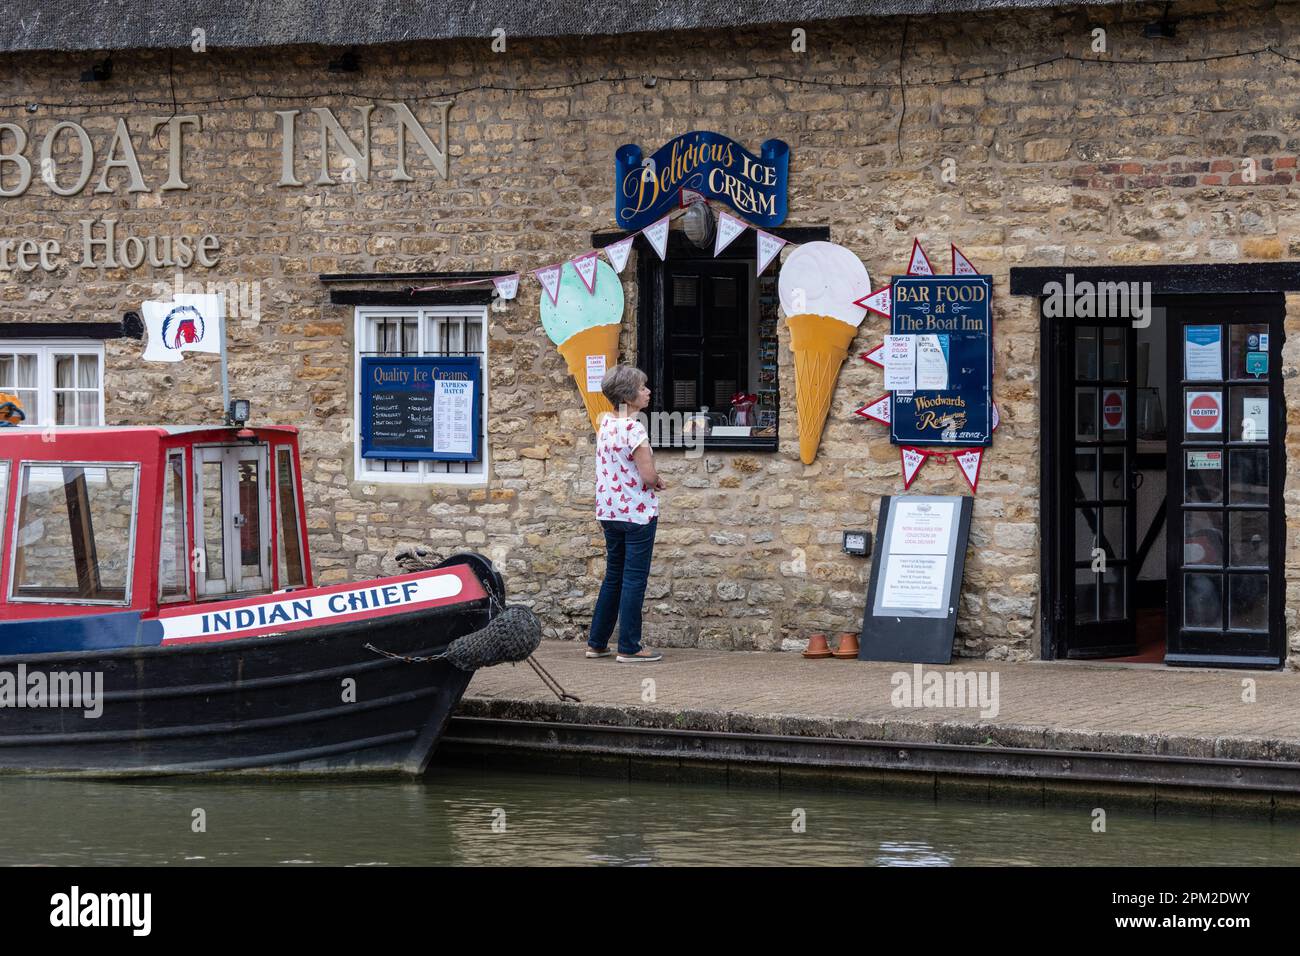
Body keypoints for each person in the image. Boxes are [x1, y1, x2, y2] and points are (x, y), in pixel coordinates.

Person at [587, 365, 665, 662]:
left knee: (613, 576)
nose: (648, 391)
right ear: (629, 396)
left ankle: (597, 641)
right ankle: (630, 647)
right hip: (637, 513)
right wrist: (657, 479)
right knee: (634, 579)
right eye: (643, 388)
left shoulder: (605, 423)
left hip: (609, 511)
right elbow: (646, 475)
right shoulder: (634, 428)